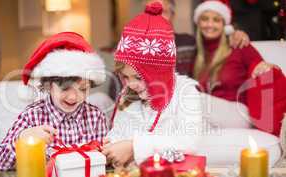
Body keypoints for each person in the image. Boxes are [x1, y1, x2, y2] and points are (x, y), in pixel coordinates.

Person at [102, 2, 203, 167]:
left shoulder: (185, 92)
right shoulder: (128, 95)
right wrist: (111, 144)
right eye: (125, 77)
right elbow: (119, 131)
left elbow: (189, 141)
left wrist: (134, 146)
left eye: (138, 77)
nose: (131, 84)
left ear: (160, 73)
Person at [0, 32, 108, 170]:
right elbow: (0, 163)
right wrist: (23, 138)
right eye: (65, 89)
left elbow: (106, 164)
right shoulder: (33, 116)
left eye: (83, 89)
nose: (73, 97)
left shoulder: (95, 117)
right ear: (48, 85)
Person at [190, 0, 286, 135]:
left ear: (224, 25)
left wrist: (263, 67)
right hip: (212, 116)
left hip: (240, 113)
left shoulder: (239, 45)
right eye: (205, 19)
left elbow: (261, 68)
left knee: (191, 98)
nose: (210, 24)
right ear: (198, 23)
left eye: (216, 20)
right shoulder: (197, 55)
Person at [147, 0, 251, 75]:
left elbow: (214, 41)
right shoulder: (136, 48)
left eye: (163, 12)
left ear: (172, 15)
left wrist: (234, 34)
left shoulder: (190, 42)